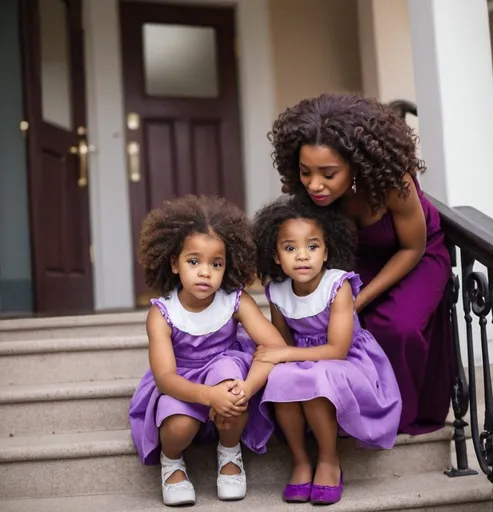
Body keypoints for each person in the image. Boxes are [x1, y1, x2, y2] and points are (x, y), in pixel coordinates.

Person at [269, 93, 453, 436]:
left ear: (356, 165)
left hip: (414, 255)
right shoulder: (311, 195)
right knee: (327, 326)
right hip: (356, 261)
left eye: (328, 173)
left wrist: (359, 299)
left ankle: (398, 416)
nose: (314, 184)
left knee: (394, 327)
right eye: (305, 172)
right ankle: (343, 411)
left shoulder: (393, 184)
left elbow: (413, 247)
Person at [129, 195, 287, 506]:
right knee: (179, 425)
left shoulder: (235, 300)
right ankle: (172, 462)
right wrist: (208, 397)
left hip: (222, 373)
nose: (205, 272)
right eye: (193, 262)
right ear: (174, 263)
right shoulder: (163, 313)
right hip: (181, 380)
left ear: (228, 265)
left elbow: (274, 345)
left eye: (216, 264)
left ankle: (229, 452)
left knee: (228, 376)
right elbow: (165, 378)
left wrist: (246, 388)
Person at [252, 197, 402, 505]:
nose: (302, 256)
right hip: (301, 356)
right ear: (277, 257)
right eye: (290, 248)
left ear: (326, 251)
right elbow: (283, 342)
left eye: (312, 246)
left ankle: (329, 459)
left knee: (316, 379)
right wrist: (283, 357)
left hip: (347, 361)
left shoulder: (338, 285)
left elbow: (336, 349)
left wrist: (285, 356)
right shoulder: (277, 291)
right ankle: (300, 460)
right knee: (281, 378)